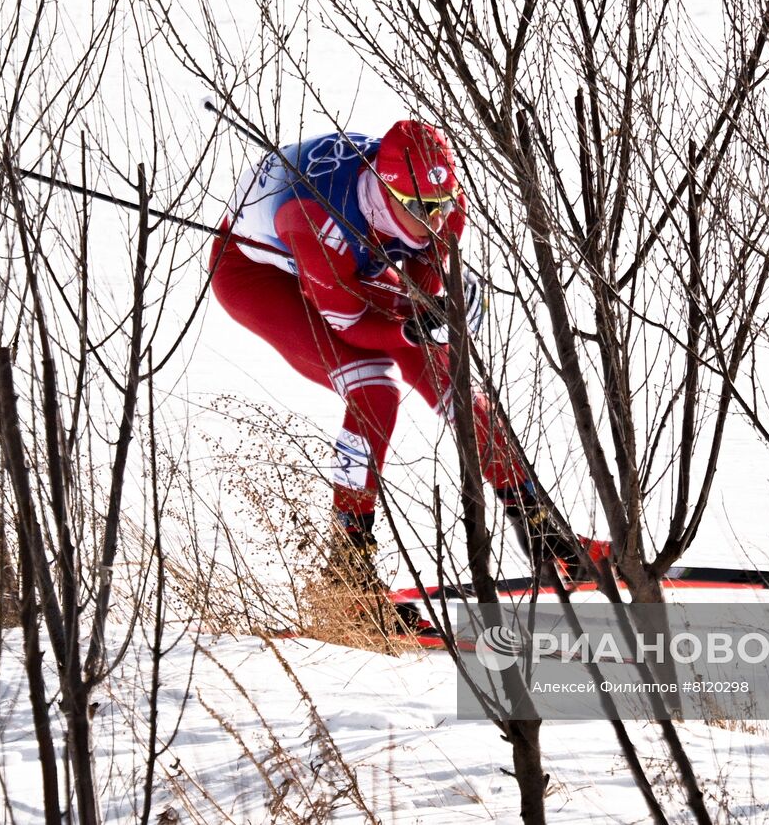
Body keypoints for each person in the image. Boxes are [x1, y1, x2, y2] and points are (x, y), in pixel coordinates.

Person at [207, 121, 581, 577]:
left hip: (348, 258)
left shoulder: (440, 204)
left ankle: (539, 527)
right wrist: (410, 328)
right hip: (258, 273)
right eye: (424, 208)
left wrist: (430, 310)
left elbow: (424, 277)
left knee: (447, 371)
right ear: (388, 193)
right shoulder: (316, 218)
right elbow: (351, 324)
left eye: (444, 205)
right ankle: (348, 574)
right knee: (374, 386)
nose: (437, 220)